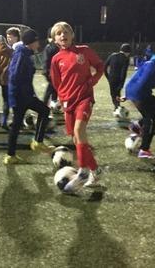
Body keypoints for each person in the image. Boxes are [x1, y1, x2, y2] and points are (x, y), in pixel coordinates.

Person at [50, 21, 105, 192]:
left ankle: (82, 171)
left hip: (84, 98)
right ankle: (96, 170)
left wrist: (92, 80)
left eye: (66, 32)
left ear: (72, 35)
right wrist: (60, 99)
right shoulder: (56, 59)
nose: (62, 35)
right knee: (75, 138)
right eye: (58, 33)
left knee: (79, 130)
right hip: (68, 102)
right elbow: (57, 82)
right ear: (55, 39)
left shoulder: (84, 51)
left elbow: (100, 66)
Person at [4, 29, 52, 164]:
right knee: (44, 111)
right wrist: (19, 96)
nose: (38, 44)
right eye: (37, 41)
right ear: (32, 42)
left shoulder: (25, 53)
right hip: (21, 97)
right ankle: (37, 142)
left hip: (22, 95)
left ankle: (10, 155)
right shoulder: (21, 54)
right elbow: (14, 76)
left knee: (17, 125)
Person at [104, 43, 131, 110]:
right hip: (119, 79)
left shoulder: (112, 55)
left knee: (113, 95)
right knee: (117, 94)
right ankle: (117, 108)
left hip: (111, 78)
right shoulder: (126, 59)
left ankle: (116, 107)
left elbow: (104, 67)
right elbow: (123, 72)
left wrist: (108, 77)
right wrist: (121, 84)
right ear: (127, 52)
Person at [42, 31, 59, 105]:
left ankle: (52, 104)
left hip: (52, 71)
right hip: (50, 72)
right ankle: (44, 104)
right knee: (51, 88)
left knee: (54, 88)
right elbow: (46, 60)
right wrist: (46, 71)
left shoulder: (53, 46)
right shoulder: (50, 47)